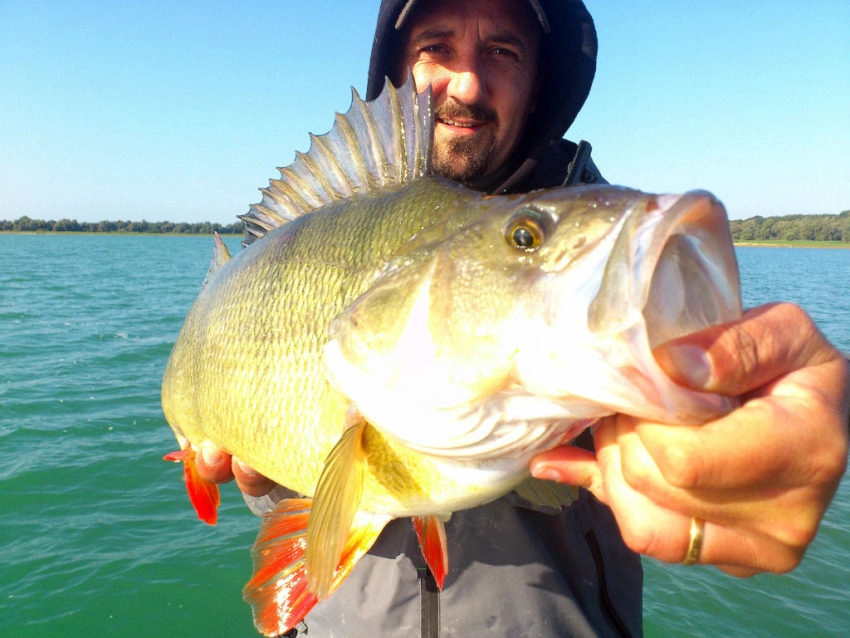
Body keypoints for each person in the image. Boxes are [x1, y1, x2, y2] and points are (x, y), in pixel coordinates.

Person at [197, 0, 850, 635]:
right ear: (396, 72)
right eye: (436, 46)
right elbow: (286, 464)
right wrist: (262, 480)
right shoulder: (317, 237)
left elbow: (707, 405)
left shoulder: (598, 290)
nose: (469, 81)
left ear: (542, 82)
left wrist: (749, 438)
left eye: (503, 51)